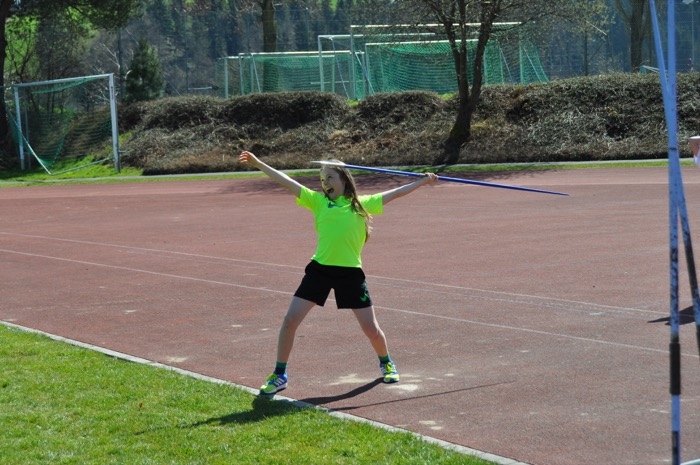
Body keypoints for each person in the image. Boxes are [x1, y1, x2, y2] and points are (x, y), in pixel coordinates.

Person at [238, 150, 439, 395]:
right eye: (322, 178)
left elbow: (395, 193)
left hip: (350, 274)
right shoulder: (317, 201)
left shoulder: (362, 204)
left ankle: (386, 362)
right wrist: (258, 163)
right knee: (290, 321)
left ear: (343, 179)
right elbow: (287, 181)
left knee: (371, 329)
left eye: (330, 177)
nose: (325, 183)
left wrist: (422, 181)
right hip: (320, 270)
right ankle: (279, 375)